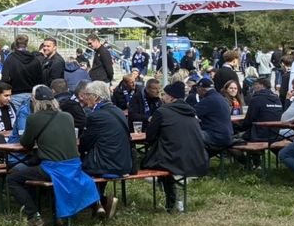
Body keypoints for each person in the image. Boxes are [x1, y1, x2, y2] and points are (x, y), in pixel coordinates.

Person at [5, 87, 97, 226]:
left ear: (35, 101)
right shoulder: (67, 116)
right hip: (74, 166)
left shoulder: (33, 118)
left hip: (52, 168)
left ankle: (34, 216)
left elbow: (26, 143)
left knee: (13, 178)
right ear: (53, 100)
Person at [139, 81, 208, 213]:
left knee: (152, 162)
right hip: (198, 159)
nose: (162, 97)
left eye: (164, 95)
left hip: (173, 159)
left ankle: (172, 200)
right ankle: (175, 197)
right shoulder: (191, 112)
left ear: (171, 97)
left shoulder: (162, 112)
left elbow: (149, 137)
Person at [77, 81, 133, 218]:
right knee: (94, 166)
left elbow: (85, 143)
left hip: (107, 164)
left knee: (75, 170)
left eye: (88, 95)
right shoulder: (118, 111)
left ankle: (99, 202)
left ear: (96, 97)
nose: (85, 98)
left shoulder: (95, 115)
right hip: (125, 162)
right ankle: (99, 204)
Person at [192, 77, 234, 153]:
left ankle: (195, 161)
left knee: (190, 135)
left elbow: (192, 112)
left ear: (202, 89)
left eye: (197, 89)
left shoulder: (208, 100)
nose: (197, 92)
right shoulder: (221, 98)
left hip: (216, 136)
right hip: (228, 135)